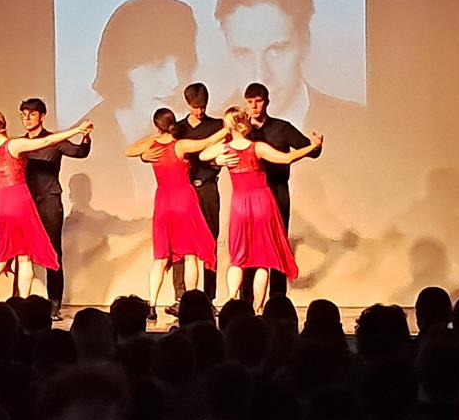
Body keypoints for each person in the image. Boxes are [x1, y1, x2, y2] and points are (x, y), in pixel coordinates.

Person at [72, 0, 199, 219]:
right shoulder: (86, 138)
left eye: (180, 62)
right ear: (120, 67)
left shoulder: (186, 128)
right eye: (156, 64)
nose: (174, 81)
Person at [215, 0, 364, 134]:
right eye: (242, 53)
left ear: (305, 40)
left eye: (276, 50)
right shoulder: (211, 131)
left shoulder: (357, 123)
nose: (261, 76)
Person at [200, 107, 322, 312]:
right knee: (262, 260)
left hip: (240, 205)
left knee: (237, 259)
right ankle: (258, 309)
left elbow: (203, 155)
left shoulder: (225, 149)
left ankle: (231, 300)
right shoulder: (257, 148)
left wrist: (218, 159)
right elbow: (287, 158)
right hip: (262, 203)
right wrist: (312, 146)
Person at [0, 110, 92, 310]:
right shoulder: (15, 145)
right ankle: (23, 304)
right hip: (18, 201)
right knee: (24, 256)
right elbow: (47, 141)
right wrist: (77, 130)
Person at [126, 107, 229, 320]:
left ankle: (152, 306)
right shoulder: (180, 145)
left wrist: (147, 151)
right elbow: (206, 142)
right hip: (184, 201)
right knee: (190, 255)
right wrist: (227, 129)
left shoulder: (153, 145)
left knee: (161, 257)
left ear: (156, 125)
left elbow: (129, 150)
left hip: (164, 203)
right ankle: (191, 304)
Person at [144, 83, 224, 313]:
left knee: (208, 241)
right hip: (183, 192)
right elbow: (155, 150)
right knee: (180, 248)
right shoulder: (177, 129)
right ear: (187, 104)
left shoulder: (216, 126)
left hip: (206, 189)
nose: (199, 110)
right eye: (195, 106)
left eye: (203, 106)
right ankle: (181, 297)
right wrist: (146, 156)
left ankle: (208, 298)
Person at [20, 97, 92, 320]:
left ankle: (54, 304)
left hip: (49, 199)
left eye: (32, 114)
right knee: (21, 253)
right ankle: (20, 301)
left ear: (42, 116)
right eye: (24, 114)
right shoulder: (20, 144)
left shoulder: (54, 141)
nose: (27, 118)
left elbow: (79, 152)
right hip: (25, 202)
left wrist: (86, 137)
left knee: (53, 252)